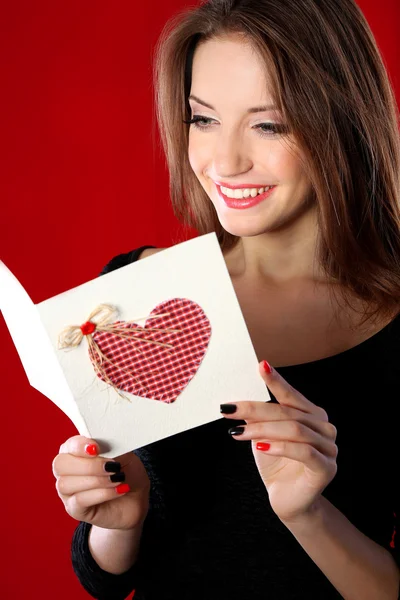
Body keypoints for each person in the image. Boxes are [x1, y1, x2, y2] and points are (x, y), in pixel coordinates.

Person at [51, 0, 400, 598]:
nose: (225, 162)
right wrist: (117, 523)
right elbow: (103, 578)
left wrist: (309, 515)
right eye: (203, 119)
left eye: (270, 124)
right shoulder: (132, 294)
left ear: (342, 122)